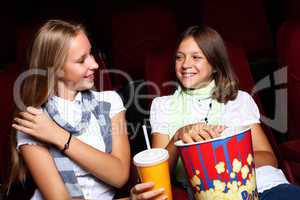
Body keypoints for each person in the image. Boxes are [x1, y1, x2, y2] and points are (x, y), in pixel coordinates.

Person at [130, 25, 300, 199]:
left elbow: (269, 159)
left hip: (265, 186)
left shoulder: (238, 99)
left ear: (215, 65)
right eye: (179, 58)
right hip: (212, 194)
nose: (185, 64)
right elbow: (159, 172)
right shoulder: (163, 105)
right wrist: (177, 137)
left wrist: (223, 158)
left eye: (196, 57)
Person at [6, 19, 130, 199]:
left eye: (91, 54)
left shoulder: (110, 101)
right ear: (55, 69)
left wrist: (58, 135)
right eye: (81, 60)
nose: (94, 64)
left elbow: (119, 176)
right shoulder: (33, 121)